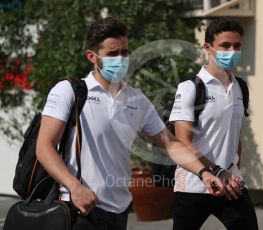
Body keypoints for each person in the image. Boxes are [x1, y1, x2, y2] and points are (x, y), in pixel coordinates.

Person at [35, 17, 227, 230]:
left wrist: (204, 173)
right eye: (112, 54)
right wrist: (74, 187)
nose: (120, 59)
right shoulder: (70, 91)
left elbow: (171, 144)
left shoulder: (137, 99)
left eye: (124, 52)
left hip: (119, 210)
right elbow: (44, 146)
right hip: (79, 207)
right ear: (92, 56)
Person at [169, 17, 259, 230]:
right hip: (192, 186)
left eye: (237, 46)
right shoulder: (190, 87)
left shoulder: (240, 88)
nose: (232, 51)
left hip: (230, 183)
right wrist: (217, 171)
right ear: (208, 48)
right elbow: (182, 142)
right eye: (225, 45)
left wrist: (234, 171)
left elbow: (236, 137)